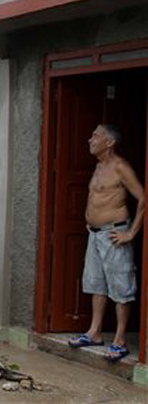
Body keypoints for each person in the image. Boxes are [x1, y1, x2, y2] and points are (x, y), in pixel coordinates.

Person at [68, 125, 144, 363]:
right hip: (95, 235)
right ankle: (95, 332)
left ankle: (120, 340)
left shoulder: (120, 167)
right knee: (96, 284)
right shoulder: (99, 166)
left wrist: (131, 233)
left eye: (96, 136)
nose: (90, 139)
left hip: (114, 234)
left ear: (109, 142)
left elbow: (143, 197)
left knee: (121, 287)